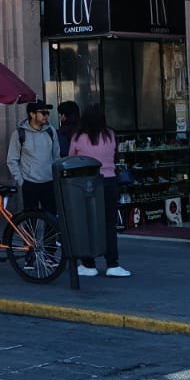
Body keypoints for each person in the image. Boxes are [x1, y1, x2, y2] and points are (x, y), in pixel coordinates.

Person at [67, 102, 129, 277]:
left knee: (86, 224)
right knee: (109, 225)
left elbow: (71, 159)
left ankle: (88, 264)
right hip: (109, 182)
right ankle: (112, 264)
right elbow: (114, 154)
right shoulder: (110, 134)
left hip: (86, 183)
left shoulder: (78, 137)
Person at [6, 100, 59, 213]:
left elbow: (56, 157)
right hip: (30, 183)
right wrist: (21, 181)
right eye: (42, 112)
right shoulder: (19, 134)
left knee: (51, 218)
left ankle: (49, 232)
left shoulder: (51, 131)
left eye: (47, 113)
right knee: (30, 219)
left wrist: (55, 177)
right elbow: (12, 160)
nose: (46, 115)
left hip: (49, 182)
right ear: (32, 114)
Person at [56, 101, 80, 166]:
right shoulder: (84, 130)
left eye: (60, 114)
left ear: (64, 115)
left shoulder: (61, 132)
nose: (60, 117)